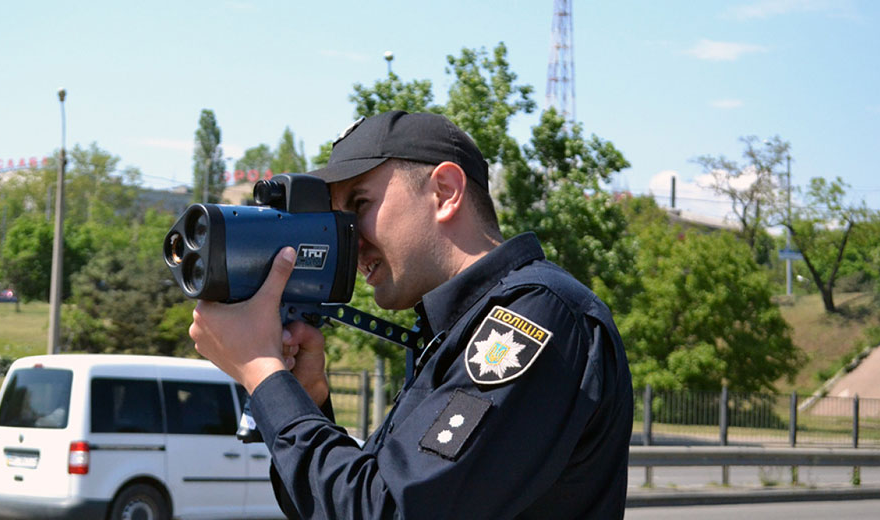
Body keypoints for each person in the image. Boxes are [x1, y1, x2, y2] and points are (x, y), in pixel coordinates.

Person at [190, 111, 633, 519]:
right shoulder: (455, 331)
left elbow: (385, 511)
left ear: (445, 192)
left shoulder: (537, 315)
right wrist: (305, 400)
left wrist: (263, 373)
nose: (348, 240)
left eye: (359, 205)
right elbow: (346, 503)